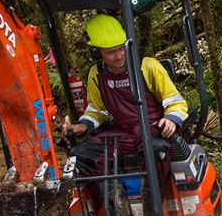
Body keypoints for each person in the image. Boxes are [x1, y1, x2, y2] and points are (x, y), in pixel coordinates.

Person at [63, 14, 188, 175]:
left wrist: (171, 120)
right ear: (97, 53)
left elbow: (176, 102)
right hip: (123, 134)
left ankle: (152, 198)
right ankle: (114, 198)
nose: (119, 56)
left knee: (155, 151)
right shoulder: (96, 74)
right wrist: (84, 124)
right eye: (111, 52)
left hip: (154, 130)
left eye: (121, 48)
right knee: (79, 155)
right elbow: (97, 110)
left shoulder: (147, 66)